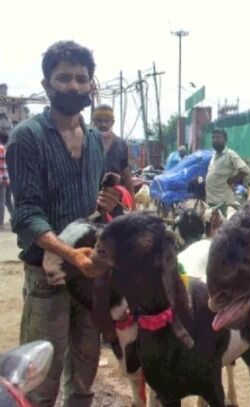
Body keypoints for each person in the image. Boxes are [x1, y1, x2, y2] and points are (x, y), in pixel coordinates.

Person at [6, 40, 120, 407]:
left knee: (84, 380)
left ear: (91, 85)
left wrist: (106, 205)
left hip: (86, 277)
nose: (73, 86)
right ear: (46, 85)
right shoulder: (28, 137)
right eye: (64, 78)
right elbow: (26, 214)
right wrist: (68, 253)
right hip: (48, 276)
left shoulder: (92, 140)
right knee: (40, 386)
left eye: (80, 79)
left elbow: (92, 209)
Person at [205, 128, 250, 216]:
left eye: (218, 137)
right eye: (213, 138)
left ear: (225, 139)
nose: (215, 140)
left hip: (223, 204)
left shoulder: (230, 154)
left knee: (222, 228)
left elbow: (246, 170)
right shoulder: (213, 156)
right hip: (211, 202)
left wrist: (231, 180)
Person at [92, 104, 134, 198]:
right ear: (94, 122)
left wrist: (132, 205)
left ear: (112, 122)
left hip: (114, 199)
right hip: (91, 201)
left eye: (107, 121)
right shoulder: (86, 142)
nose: (103, 124)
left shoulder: (121, 144)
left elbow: (126, 177)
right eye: (99, 121)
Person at [0, 115, 14, 229]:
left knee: (2, 201)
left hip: (2, 179)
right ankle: (15, 217)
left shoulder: (1, 149)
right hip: (7, 178)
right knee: (7, 201)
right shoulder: (6, 148)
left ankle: (0, 223)